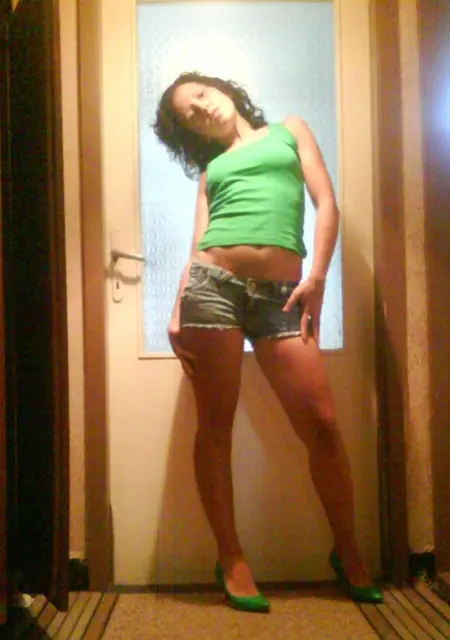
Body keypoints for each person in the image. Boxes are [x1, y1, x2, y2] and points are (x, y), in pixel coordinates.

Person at [153, 71, 383, 613]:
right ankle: (231, 558)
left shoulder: (289, 130)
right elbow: (196, 244)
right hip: (212, 289)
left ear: (223, 89)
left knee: (322, 423)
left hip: (284, 295)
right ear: (192, 133)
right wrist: (177, 306)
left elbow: (326, 203)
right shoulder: (211, 171)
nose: (202, 109)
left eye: (201, 95)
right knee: (215, 427)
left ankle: (347, 549)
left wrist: (318, 276)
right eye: (189, 114)